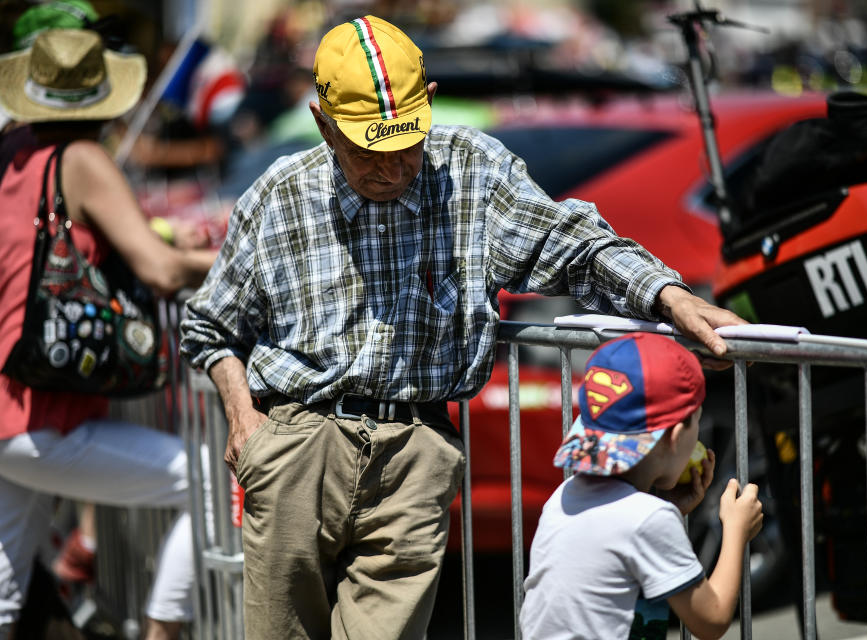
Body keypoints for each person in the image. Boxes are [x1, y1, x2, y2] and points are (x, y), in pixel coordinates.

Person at [178, 14, 746, 640]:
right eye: (370, 148)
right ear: (323, 123)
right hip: (295, 442)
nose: (393, 168)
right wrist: (243, 421)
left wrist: (669, 297)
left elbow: (573, 243)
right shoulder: (278, 196)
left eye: (407, 144)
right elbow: (210, 325)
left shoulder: (471, 171)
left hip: (415, 450)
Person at [0, 29, 216, 640]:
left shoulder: (15, 154)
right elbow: (160, 268)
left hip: (10, 409)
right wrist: (232, 260)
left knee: (5, 590)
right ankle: (161, 632)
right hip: (41, 416)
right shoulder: (83, 160)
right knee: (215, 482)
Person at [519, 332, 763, 640]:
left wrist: (671, 510)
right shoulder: (648, 519)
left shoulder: (562, 497)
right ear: (676, 436)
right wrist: (736, 531)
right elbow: (711, 620)